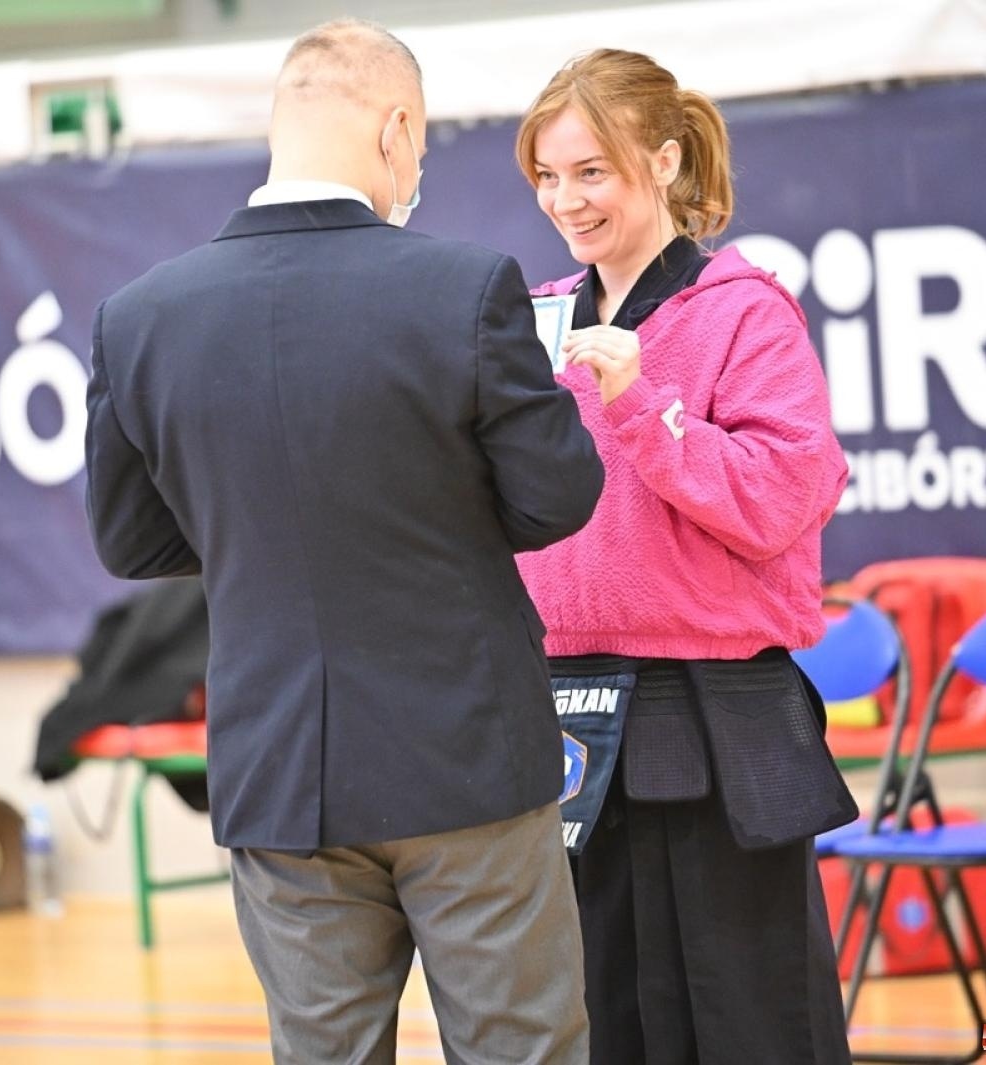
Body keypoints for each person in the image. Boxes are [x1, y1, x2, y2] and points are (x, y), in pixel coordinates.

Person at [84, 19, 603, 1064]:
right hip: (468, 757)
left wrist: (261, 529)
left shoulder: (138, 317)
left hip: (280, 773)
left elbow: (131, 542)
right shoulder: (465, 286)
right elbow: (557, 499)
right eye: (422, 146)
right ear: (395, 130)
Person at [513, 49, 857, 1065]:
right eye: (547, 175)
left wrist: (643, 404)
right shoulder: (535, 321)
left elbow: (783, 497)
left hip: (712, 710)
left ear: (663, 163)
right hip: (565, 713)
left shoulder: (744, 310)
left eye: (592, 171)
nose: (566, 200)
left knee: (752, 1022)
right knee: (604, 1022)